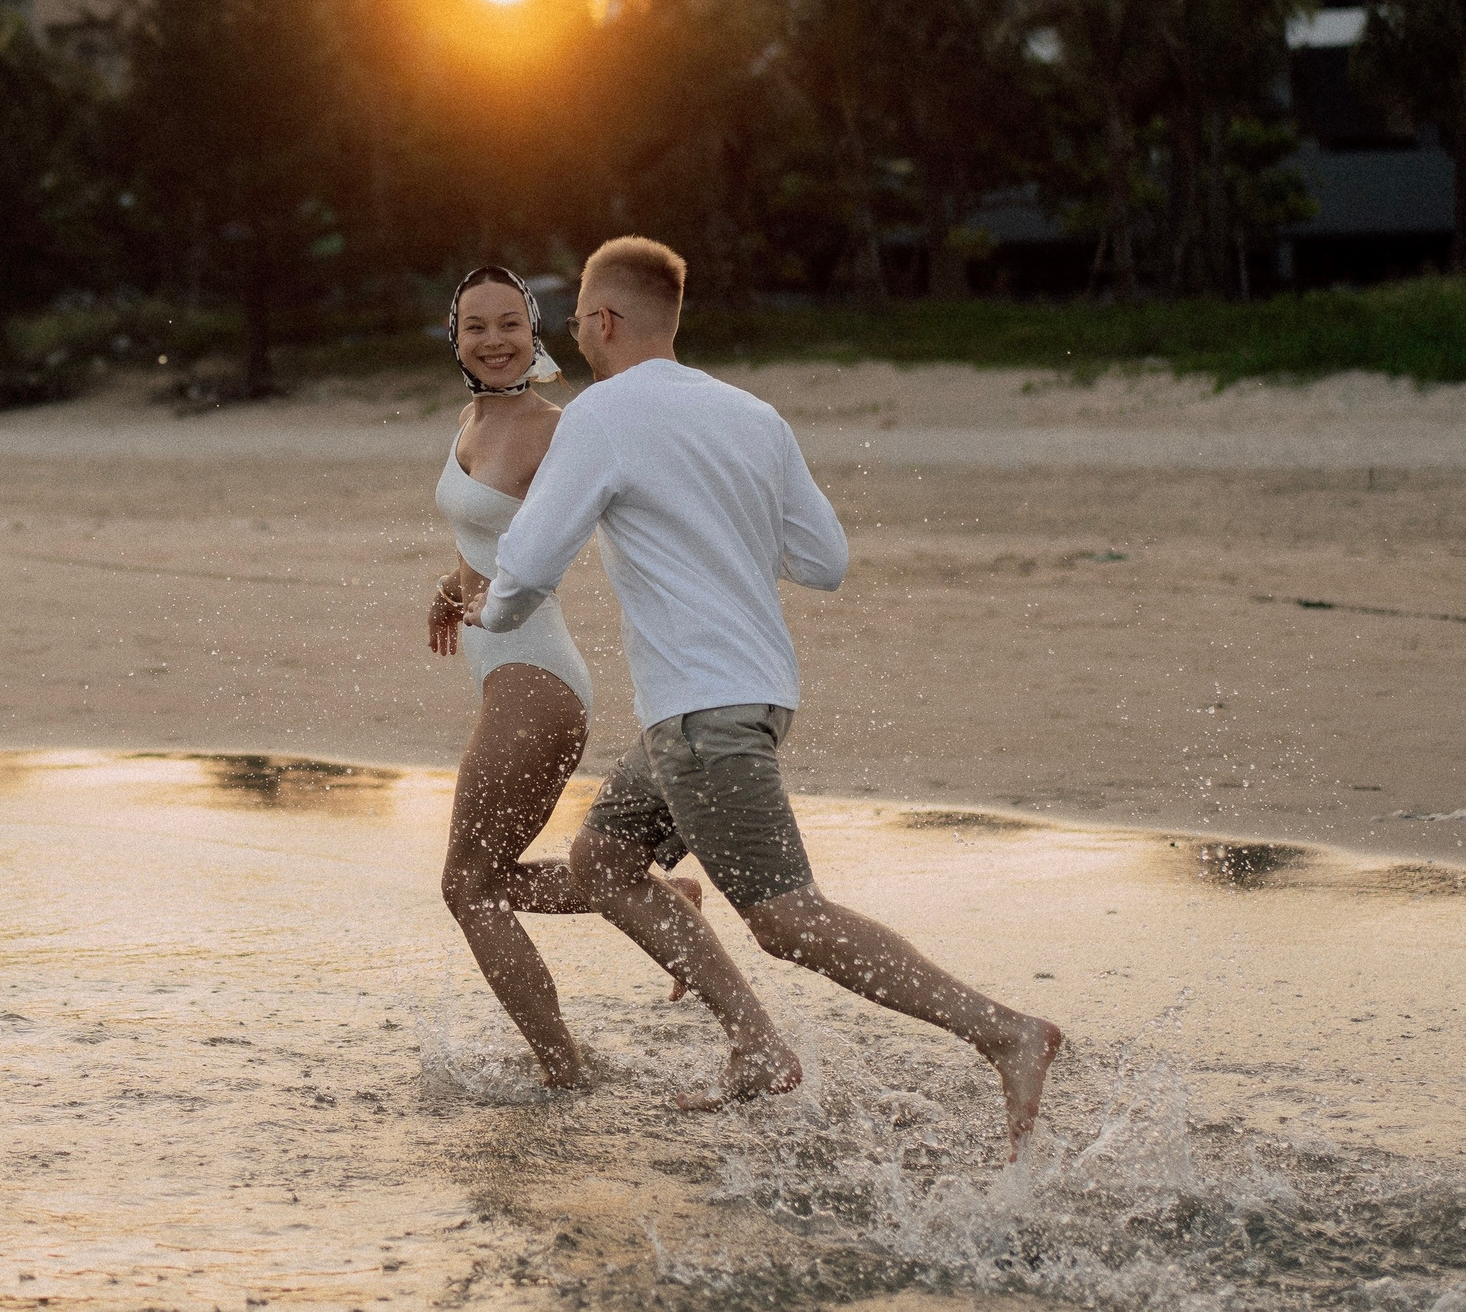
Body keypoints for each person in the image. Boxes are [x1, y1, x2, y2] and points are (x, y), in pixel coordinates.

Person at [463, 237, 1063, 1153]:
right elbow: (825, 561)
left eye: (580, 314)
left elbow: (533, 565)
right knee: (602, 863)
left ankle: (1004, 1032)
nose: (579, 330)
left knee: (788, 919)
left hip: (707, 716)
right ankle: (753, 1043)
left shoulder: (602, 416)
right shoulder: (752, 415)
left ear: (603, 321)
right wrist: (712, 519)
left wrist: (487, 605)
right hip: (740, 703)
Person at [426, 266, 699, 1089]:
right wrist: (453, 585)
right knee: (493, 878)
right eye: (477, 326)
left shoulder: (559, 429)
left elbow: (550, 553)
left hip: (537, 682)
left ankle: (563, 1070)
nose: (495, 340)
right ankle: (664, 903)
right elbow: (494, 541)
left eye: (510, 323)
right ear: (456, 336)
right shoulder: (472, 418)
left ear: (535, 328)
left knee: (465, 888)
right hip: (506, 673)